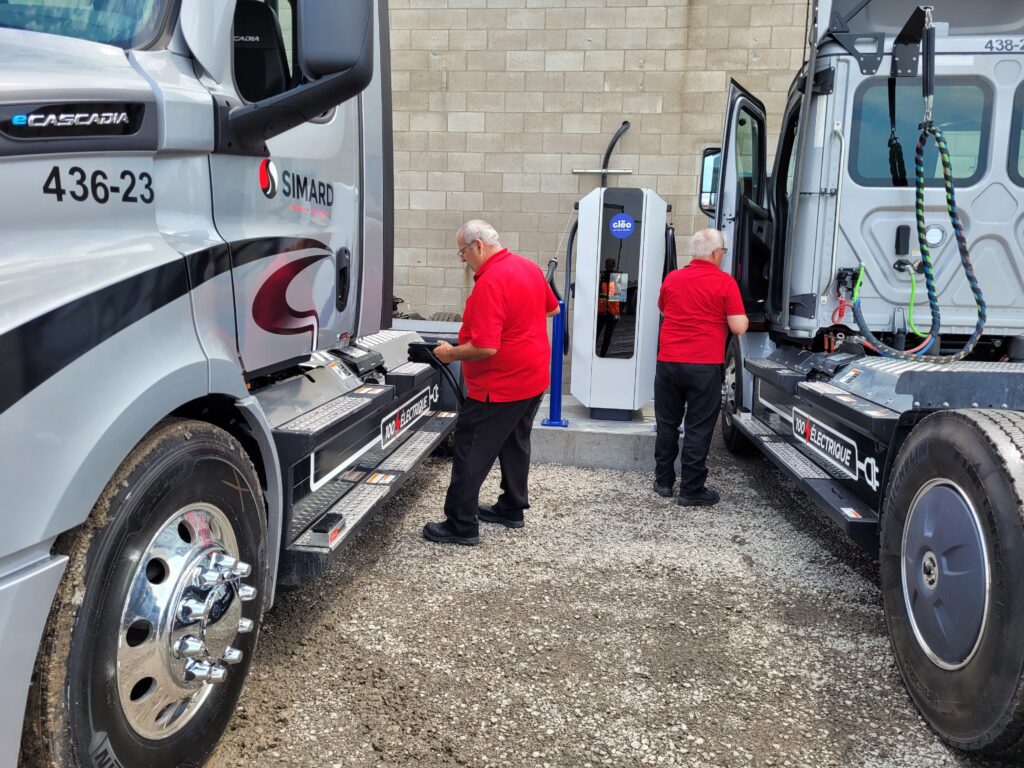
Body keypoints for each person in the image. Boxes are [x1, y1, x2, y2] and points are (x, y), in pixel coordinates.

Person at [424, 220, 560, 546]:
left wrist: (449, 353)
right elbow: (552, 310)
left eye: (462, 252)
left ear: (478, 246)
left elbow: (485, 347)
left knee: (471, 450)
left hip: (498, 387)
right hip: (533, 379)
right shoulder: (528, 268)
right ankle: (511, 508)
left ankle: (460, 524)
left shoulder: (490, 283)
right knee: (515, 444)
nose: (462, 259)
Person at [654, 228, 748, 506]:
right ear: (716, 253)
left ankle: (663, 482)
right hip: (703, 366)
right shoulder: (725, 282)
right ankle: (692, 490)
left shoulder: (672, 278)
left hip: (668, 363)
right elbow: (738, 327)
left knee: (667, 423)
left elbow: (663, 309)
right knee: (697, 427)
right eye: (723, 252)